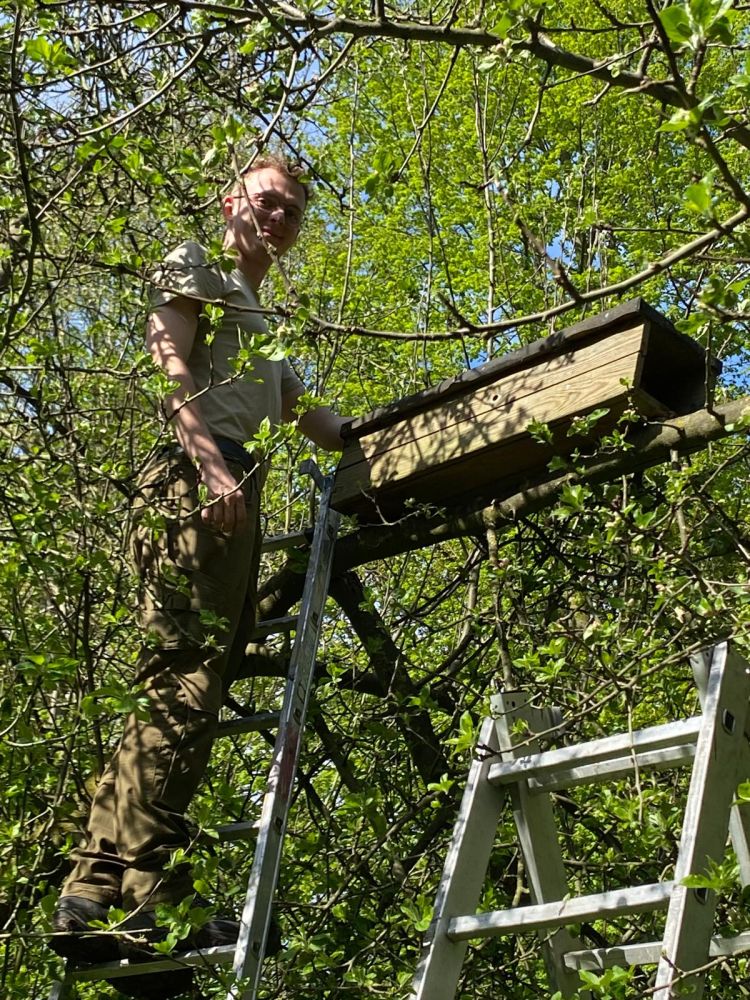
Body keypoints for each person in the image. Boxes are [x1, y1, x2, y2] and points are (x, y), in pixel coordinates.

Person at [50, 156, 347, 992]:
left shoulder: (260, 314)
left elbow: (307, 413)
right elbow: (168, 363)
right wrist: (212, 467)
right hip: (199, 484)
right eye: (268, 203)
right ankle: (151, 893)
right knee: (183, 680)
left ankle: (95, 890)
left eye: (292, 212)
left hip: (235, 486)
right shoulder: (197, 265)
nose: (279, 219)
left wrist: (384, 436)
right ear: (232, 203)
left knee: (181, 680)